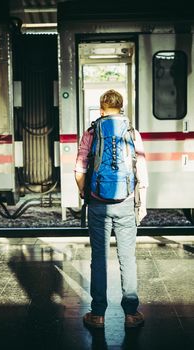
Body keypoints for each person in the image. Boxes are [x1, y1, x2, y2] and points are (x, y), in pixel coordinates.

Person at [74, 89, 148, 329]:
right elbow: (141, 172)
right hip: (126, 203)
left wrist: (85, 192)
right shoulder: (132, 132)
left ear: (102, 108)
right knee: (127, 258)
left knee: (99, 258)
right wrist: (141, 204)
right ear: (122, 107)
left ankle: (97, 314)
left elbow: (79, 170)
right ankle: (131, 314)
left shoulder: (91, 132)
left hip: (98, 203)